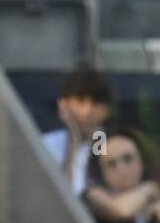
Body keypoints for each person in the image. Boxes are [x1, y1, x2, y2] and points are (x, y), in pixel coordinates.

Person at [41, 63, 113, 196]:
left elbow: (100, 186)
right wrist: (73, 142)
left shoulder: (109, 142)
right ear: (63, 105)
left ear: (106, 109)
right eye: (80, 101)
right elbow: (62, 195)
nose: (88, 111)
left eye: (96, 103)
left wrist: (96, 136)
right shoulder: (46, 144)